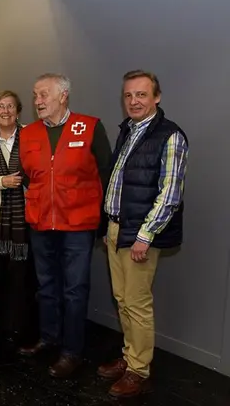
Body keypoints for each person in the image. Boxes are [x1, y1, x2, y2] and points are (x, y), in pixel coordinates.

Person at [97, 70, 188, 398]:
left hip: (140, 233)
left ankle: (139, 370)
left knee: (137, 302)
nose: (134, 101)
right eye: (128, 95)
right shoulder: (129, 130)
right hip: (116, 229)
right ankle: (130, 355)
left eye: (141, 94)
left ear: (157, 97)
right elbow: (118, 182)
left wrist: (145, 236)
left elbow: (170, 194)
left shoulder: (170, 135)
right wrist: (109, 226)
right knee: (122, 299)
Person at [18, 73, 112, 378]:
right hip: (41, 222)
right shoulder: (28, 133)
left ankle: (72, 351)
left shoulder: (90, 127)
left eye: (44, 94)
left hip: (77, 224)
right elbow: (30, 175)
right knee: (46, 287)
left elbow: (107, 175)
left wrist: (106, 220)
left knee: (74, 289)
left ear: (63, 96)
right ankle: (49, 338)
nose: (38, 101)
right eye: (35, 96)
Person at [0, 91, 37, 343]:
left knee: (23, 279)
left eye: (10, 106)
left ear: (18, 111)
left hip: (26, 220)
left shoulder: (33, 136)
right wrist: (3, 181)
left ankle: (21, 330)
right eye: (0, 106)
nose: (5, 110)